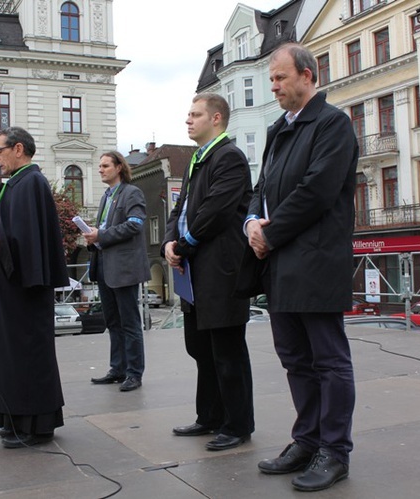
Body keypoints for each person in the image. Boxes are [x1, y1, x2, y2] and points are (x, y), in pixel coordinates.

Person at [245, 43, 358, 492]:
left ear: (308, 75)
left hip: (315, 259)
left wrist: (268, 234)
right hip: (280, 263)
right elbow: (262, 188)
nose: (274, 87)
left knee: (328, 360)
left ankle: (335, 450)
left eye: (281, 78)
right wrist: (252, 221)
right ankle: (307, 440)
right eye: (271, 79)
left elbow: (316, 192)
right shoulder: (277, 130)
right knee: (295, 358)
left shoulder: (332, 125)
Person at [162, 93, 254, 451]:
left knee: (227, 351)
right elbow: (178, 210)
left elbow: (215, 211)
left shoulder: (229, 157)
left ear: (216, 119)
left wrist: (182, 245)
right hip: (194, 272)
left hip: (220, 271)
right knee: (201, 349)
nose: (188, 120)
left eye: (195, 114)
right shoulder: (196, 160)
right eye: (188, 114)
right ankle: (210, 416)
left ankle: (237, 424)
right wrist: (168, 242)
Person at [0, 126, 70, 449]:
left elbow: (25, 241)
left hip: (23, 286)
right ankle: (17, 418)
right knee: (13, 352)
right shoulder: (16, 184)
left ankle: (33, 423)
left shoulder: (30, 182)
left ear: (18, 149)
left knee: (26, 352)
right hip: (10, 285)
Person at [85, 151, 151, 392]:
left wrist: (100, 235)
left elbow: (135, 225)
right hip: (103, 264)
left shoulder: (131, 193)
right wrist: (93, 237)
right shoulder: (106, 196)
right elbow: (107, 227)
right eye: (100, 166)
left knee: (129, 322)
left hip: (123, 268)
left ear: (119, 168)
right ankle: (118, 369)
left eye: (105, 166)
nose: (100, 169)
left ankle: (134, 373)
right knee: (113, 321)